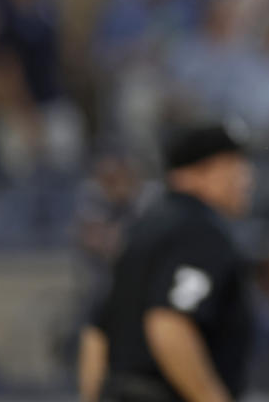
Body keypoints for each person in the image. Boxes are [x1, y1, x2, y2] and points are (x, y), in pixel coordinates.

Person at [79, 124, 255, 402]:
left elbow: (97, 334)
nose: (246, 179)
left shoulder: (142, 229)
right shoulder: (200, 231)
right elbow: (169, 322)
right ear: (199, 172)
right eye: (234, 166)